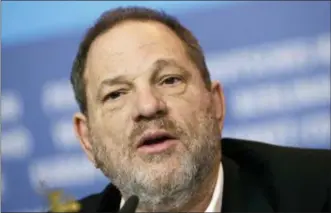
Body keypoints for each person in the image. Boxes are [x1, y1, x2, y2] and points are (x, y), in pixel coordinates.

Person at [69, 6, 331, 212]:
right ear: (87, 139)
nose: (148, 107)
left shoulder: (319, 190)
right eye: (115, 94)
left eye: (169, 80)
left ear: (215, 104)